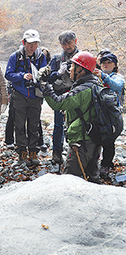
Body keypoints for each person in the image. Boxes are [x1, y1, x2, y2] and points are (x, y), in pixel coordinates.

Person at [41, 51, 100, 183]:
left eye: (73, 66)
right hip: (95, 140)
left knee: (68, 180)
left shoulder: (82, 90)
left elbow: (57, 102)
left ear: (81, 70)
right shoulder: (96, 84)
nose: (70, 69)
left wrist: (45, 85)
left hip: (81, 142)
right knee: (92, 178)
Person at [5, 29, 47, 166]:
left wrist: (39, 77)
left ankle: (33, 151)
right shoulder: (15, 56)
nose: (32, 47)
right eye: (30, 44)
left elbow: (44, 74)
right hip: (20, 95)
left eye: (35, 43)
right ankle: (22, 151)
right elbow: (8, 74)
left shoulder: (41, 57)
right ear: (24, 43)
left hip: (35, 95)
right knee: (19, 124)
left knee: (34, 124)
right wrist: (21, 76)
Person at [48, 30, 79, 165]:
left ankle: (77, 153)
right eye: (64, 44)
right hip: (60, 95)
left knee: (78, 124)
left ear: (75, 41)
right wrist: (58, 72)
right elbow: (48, 77)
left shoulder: (83, 57)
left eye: (69, 43)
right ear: (60, 45)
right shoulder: (56, 59)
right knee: (59, 125)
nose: (67, 47)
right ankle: (57, 152)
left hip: (78, 94)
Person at [93, 53, 125, 177]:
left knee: (109, 140)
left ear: (115, 65)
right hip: (97, 112)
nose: (105, 65)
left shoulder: (117, 77)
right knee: (95, 137)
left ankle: (106, 164)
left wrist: (104, 77)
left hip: (111, 115)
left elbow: (117, 86)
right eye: (103, 63)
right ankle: (93, 162)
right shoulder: (95, 77)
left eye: (109, 62)